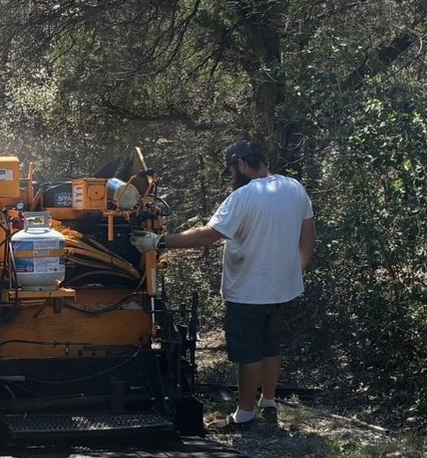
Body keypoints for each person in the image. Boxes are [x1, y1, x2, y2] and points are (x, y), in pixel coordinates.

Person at [132, 140, 315, 429]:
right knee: (271, 348)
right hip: (284, 290)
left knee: (249, 355)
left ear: (241, 164)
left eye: (231, 171)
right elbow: (308, 240)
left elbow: (208, 235)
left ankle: (243, 415)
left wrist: (159, 241)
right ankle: (268, 403)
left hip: (250, 293)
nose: (231, 177)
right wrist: (294, 273)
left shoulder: (243, 197)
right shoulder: (295, 189)